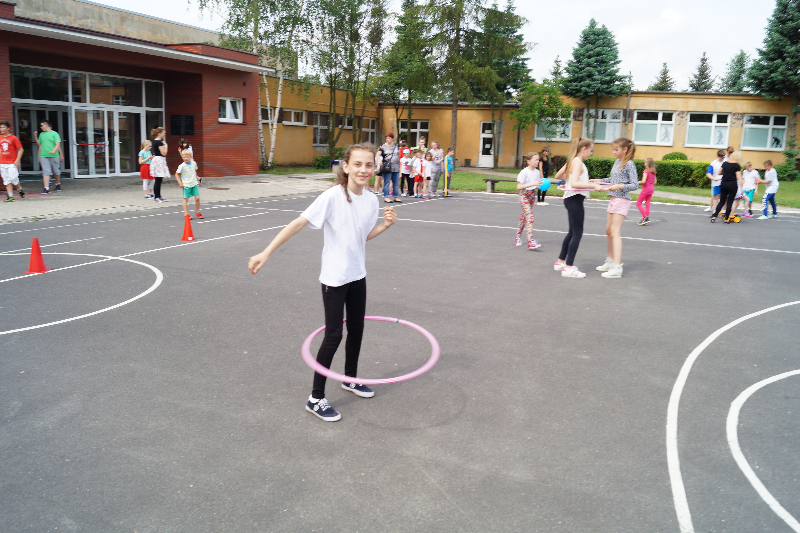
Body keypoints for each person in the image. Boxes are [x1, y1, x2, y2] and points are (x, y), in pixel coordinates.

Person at [247, 143, 397, 422]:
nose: (363, 170)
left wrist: (385, 226)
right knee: (334, 335)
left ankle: (350, 379)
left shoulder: (371, 200)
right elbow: (298, 223)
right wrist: (266, 252)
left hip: (357, 275)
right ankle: (315, 398)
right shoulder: (332, 196)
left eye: (369, 165)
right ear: (346, 167)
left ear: (374, 168)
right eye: (358, 164)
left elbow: (362, 236)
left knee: (356, 329)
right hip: (334, 278)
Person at [553, 138, 607, 278]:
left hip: (570, 199)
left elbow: (558, 175)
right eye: (590, 151)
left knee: (572, 232)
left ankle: (560, 262)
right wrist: (593, 185)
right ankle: (568, 267)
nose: (591, 153)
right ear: (583, 149)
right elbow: (575, 183)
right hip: (575, 199)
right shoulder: (577, 162)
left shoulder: (572, 160)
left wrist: (584, 181)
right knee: (577, 233)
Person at [594, 138, 639, 278]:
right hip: (613, 198)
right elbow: (612, 179)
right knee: (608, 230)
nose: (614, 152)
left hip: (622, 199)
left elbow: (635, 185)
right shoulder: (617, 162)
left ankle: (617, 267)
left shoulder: (629, 164)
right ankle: (610, 260)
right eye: (613, 149)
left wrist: (620, 186)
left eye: (616, 149)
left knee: (614, 231)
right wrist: (599, 181)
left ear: (625, 149)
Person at [515, 152, 542, 250]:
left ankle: (517, 237)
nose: (537, 161)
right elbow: (519, 186)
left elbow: (537, 183)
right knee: (530, 216)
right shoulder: (524, 172)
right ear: (528, 161)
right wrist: (532, 184)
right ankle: (530, 241)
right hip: (524, 195)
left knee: (524, 217)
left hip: (532, 195)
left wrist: (539, 185)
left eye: (538, 159)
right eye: (535, 159)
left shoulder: (537, 172)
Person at [711, 150, 742, 223]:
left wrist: (725, 173)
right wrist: (742, 188)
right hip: (732, 185)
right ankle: (726, 218)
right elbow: (738, 177)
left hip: (724, 183)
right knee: (730, 202)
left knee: (722, 201)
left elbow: (719, 172)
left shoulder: (725, 163)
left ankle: (714, 216)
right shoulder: (737, 165)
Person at [33, 120, 63, 194]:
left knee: (56, 171)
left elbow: (57, 144)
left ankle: (57, 183)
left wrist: (53, 151)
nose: (41, 127)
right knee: (46, 171)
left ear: (46, 125)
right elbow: (40, 145)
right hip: (43, 155)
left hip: (54, 155)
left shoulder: (54, 134)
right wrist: (39, 156)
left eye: (42, 125)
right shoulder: (41, 134)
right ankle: (46, 188)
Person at [1, 121, 25, 202]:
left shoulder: (14, 138)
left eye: (3, 127)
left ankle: (19, 188)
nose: (1, 129)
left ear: (8, 128)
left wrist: (17, 161)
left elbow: (21, 149)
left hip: (12, 162)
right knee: (6, 180)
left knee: (13, 178)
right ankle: (10, 196)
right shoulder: (0, 137)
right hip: (2, 162)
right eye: (0, 127)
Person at [176, 149, 203, 219]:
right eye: (184, 157)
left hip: (194, 183)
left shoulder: (194, 163)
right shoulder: (182, 166)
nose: (186, 158)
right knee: (186, 199)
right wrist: (180, 182)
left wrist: (197, 179)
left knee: (197, 198)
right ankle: (186, 214)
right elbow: (176, 174)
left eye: (187, 157)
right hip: (186, 185)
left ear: (190, 157)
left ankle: (198, 212)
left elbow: (194, 171)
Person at [380, 133, 401, 203]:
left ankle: (396, 196)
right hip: (387, 167)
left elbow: (399, 154)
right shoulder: (383, 146)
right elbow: (378, 154)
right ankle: (386, 196)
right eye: (386, 138)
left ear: (392, 138)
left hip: (396, 167)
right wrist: (379, 160)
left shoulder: (396, 145)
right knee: (387, 182)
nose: (387, 139)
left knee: (396, 183)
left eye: (389, 138)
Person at [150, 127, 169, 202]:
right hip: (159, 160)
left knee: (159, 179)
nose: (164, 135)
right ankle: (157, 197)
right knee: (158, 180)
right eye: (164, 133)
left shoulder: (155, 141)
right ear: (159, 133)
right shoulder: (159, 142)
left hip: (157, 160)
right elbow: (164, 153)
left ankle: (158, 196)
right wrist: (166, 146)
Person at [637, 157, 656, 225]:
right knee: (647, 204)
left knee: (638, 203)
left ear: (648, 163)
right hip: (651, 189)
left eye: (645, 162)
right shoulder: (653, 172)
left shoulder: (646, 171)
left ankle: (645, 217)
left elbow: (643, 181)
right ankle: (645, 218)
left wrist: (637, 182)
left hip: (646, 189)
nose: (644, 163)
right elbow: (655, 182)